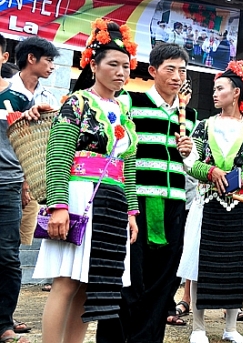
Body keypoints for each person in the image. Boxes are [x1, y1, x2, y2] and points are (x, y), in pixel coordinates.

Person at [33, 18, 140, 343]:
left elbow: (128, 164)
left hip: (113, 202)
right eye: (113, 64)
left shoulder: (124, 111)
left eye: (126, 65)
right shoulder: (76, 103)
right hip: (79, 196)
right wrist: (59, 206)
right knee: (67, 280)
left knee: (89, 282)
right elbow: (58, 155)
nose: (121, 72)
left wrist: (132, 212)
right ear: (93, 64)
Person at [94, 42, 198, 343]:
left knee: (163, 283)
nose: (177, 76)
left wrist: (189, 153)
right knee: (128, 280)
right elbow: (119, 149)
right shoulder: (130, 102)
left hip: (174, 204)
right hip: (136, 202)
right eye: (170, 69)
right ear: (153, 71)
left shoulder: (188, 115)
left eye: (182, 70)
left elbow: (191, 165)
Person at [178, 60, 243, 343]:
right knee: (200, 263)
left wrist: (239, 180)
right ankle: (198, 327)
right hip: (207, 202)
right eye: (214, 89)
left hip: (238, 205)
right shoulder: (204, 126)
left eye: (220, 88)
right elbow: (189, 161)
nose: (215, 93)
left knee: (233, 264)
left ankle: (231, 327)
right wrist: (210, 171)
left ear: (236, 92)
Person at [0, 34, 36, 343]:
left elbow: (29, 145)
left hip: (8, 185)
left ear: (3, 58)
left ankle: (3, 323)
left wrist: (28, 184)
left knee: (8, 256)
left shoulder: (20, 99)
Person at [10, 37, 61, 250]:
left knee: (15, 243)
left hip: (31, 180)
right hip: (5, 176)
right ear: (31, 58)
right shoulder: (6, 89)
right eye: (48, 60)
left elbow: (53, 139)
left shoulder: (49, 99)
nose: (52, 66)